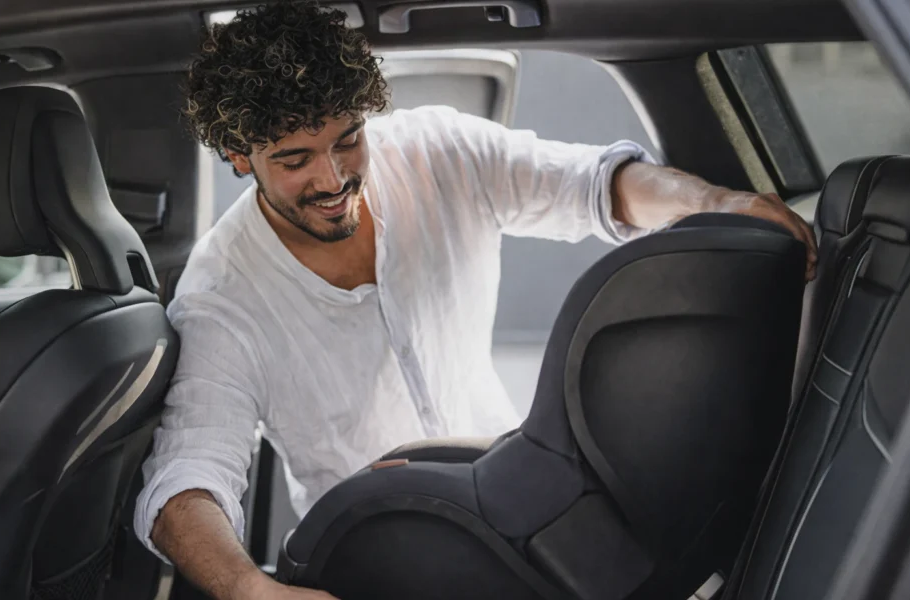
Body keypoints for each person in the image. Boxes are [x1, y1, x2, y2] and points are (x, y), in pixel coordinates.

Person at [133, 2, 817, 599]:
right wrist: (247, 588)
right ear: (239, 154)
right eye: (295, 159)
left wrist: (715, 203)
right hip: (378, 552)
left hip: (515, 503)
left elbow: (596, 185)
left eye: (348, 140)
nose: (335, 178)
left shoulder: (437, 152)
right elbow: (186, 479)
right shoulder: (222, 295)